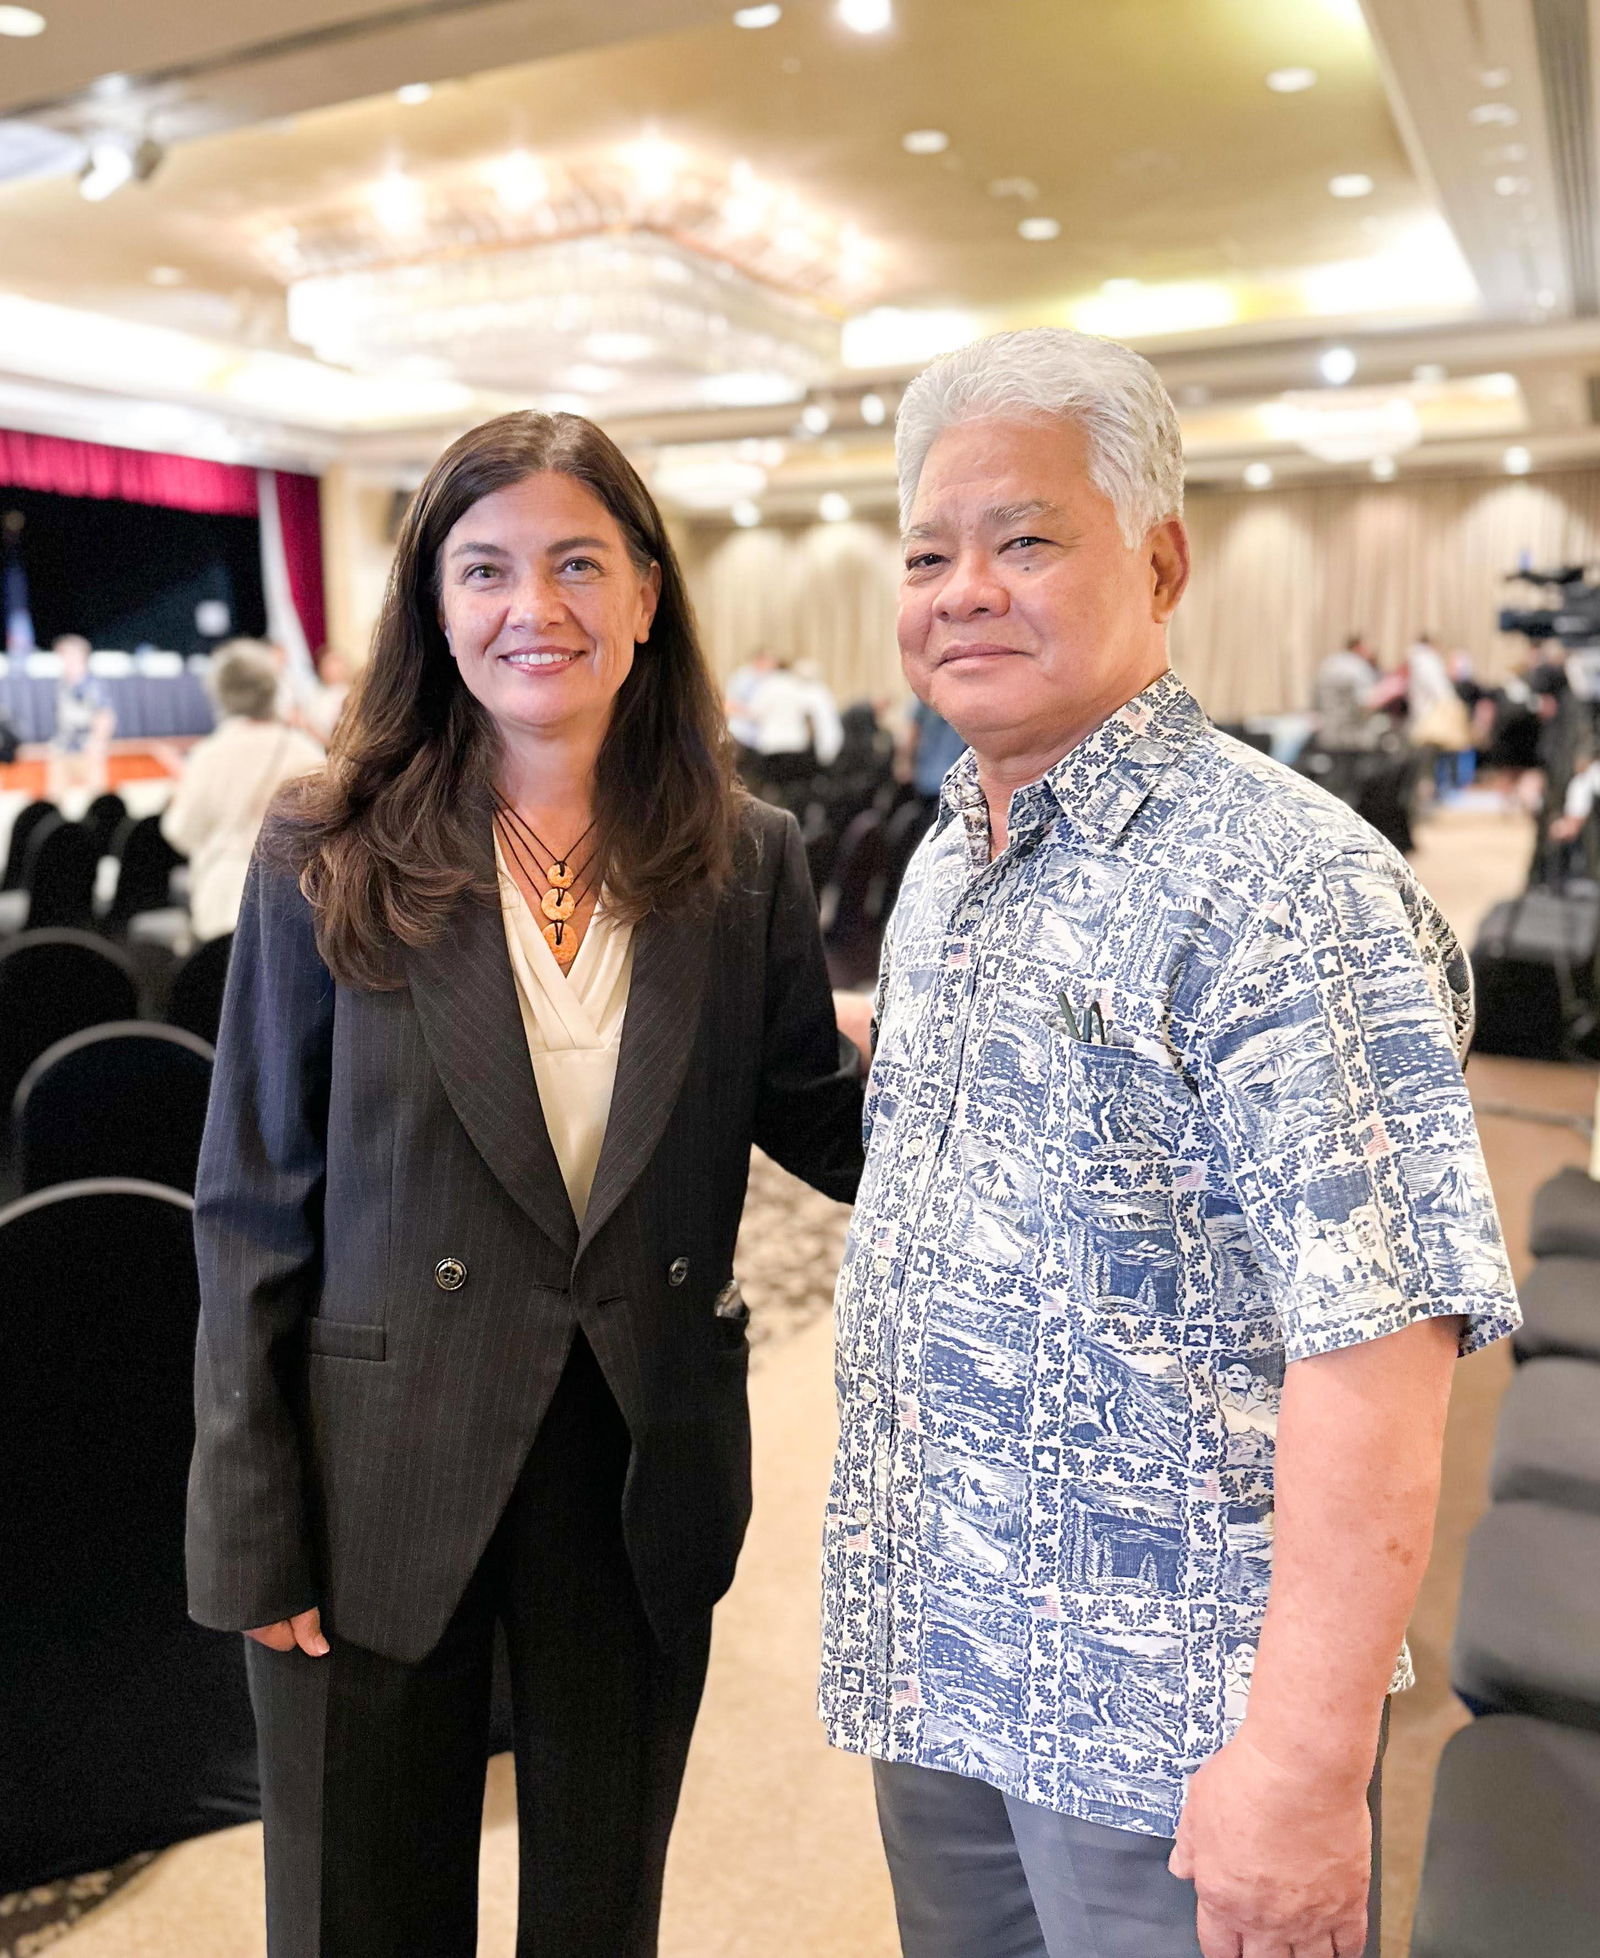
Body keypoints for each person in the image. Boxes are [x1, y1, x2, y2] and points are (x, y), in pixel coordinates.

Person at [821, 328, 1520, 1958]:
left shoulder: (1289, 887)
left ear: (1161, 560)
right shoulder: (950, 856)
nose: (963, 590)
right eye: (927, 554)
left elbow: (1380, 1350)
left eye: (1024, 538)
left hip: (1174, 1717)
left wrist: (1302, 1765)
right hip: (943, 1655)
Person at [186, 410, 863, 1957]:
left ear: (647, 594)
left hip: (635, 1449)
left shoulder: (745, 856)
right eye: (485, 568)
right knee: (361, 1908)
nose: (531, 607)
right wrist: (250, 1517)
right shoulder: (325, 844)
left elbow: (820, 1123)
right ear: (435, 603)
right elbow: (249, 1205)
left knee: (598, 1911)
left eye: (577, 563)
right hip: (373, 1462)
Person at [160, 640, 326, 943]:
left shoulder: (208, 755)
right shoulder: (306, 752)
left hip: (222, 900)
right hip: (295, 898)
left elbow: (182, 832)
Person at [45, 633, 114, 804]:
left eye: (67, 654)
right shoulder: (62, 683)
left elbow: (104, 715)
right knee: (55, 797)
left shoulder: (92, 685)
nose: (63, 659)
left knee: (97, 799)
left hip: (87, 747)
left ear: (81, 656)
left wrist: (98, 742)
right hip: (63, 747)